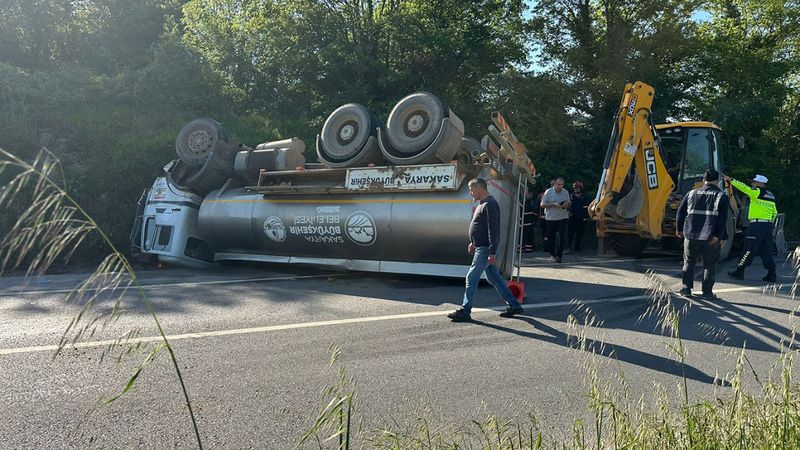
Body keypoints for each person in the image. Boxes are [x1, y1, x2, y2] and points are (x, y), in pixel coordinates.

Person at [448, 178, 525, 322]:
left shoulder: (490, 204)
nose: (471, 193)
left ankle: (465, 311)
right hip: (481, 247)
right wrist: (473, 242)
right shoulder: (483, 204)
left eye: (472, 190)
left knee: (471, 277)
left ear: (479, 189)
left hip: (485, 250)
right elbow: (481, 228)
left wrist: (492, 253)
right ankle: (514, 305)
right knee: (494, 278)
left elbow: (493, 230)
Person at [675, 169, 730, 300]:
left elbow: (680, 213)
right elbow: (723, 220)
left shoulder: (691, 193)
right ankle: (707, 293)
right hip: (710, 237)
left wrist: (679, 229)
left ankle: (686, 289)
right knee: (710, 265)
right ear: (717, 181)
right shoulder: (721, 196)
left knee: (689, 261)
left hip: (691, 235)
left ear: (703, 180)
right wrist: (719, 236)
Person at [725, 173, 778, 282]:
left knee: (748, 248)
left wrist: (731, 180)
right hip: (768, 225)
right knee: (766, 250)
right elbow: (774, 212)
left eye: (754, 182)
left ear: (760, 183)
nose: (752, 183)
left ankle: (740, 271)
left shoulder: (756, 192)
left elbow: (744, 188)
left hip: (756, 225)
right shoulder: (770, 195)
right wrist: (769, 224)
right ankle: (772, 274)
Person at [540, 177, 570, 262]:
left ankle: (559, 256)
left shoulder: (565, 192)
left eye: (562, 185)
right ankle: (552, 253)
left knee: (561, 237)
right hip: (551, 218)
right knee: (551, 237)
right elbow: (542, 204)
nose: (560, 186)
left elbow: (569, 203)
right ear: (555, 184)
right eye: (558, 184)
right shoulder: (548, 192)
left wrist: (566, 205)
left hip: (562, 217)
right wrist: (553, 204)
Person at [568, 181, 589, 252]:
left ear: (581, 188)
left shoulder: (585, 197)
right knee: (570, 233)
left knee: (580, 233)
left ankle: (577, 247)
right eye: (575, 188)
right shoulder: (570, 196)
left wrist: (586, 217)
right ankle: (569, 246)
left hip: (581, 218)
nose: (576, 189)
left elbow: (587, 207)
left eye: (577, 188)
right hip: (572, 218)